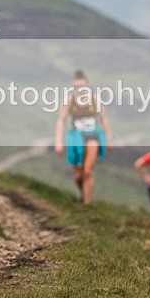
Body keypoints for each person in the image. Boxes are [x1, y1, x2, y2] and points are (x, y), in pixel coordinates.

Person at [55, 70, 113, 204]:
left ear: (87, 84)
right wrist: (59, 142)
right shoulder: (70, 100)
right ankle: (83, 194)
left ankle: (87, 203)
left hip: (93, 135)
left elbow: (103, 118)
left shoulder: (95, 99)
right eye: (77, 87)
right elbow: (61, 120)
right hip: (76, 136)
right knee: (78, 175)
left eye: (82, 87)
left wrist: (109, 138)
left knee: (87, 170)